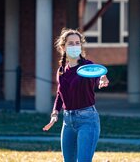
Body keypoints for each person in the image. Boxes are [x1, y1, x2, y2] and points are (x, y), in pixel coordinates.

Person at [43, 28, 109, 162]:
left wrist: (102, 78)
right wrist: (55, 114)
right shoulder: (61, 71)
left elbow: (98, 74)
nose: (75, 46)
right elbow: (60, 95)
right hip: (67, 121)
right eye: (71, 43)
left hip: (87, 120)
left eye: (77, 43)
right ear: (63, 47)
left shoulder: (87, 66)